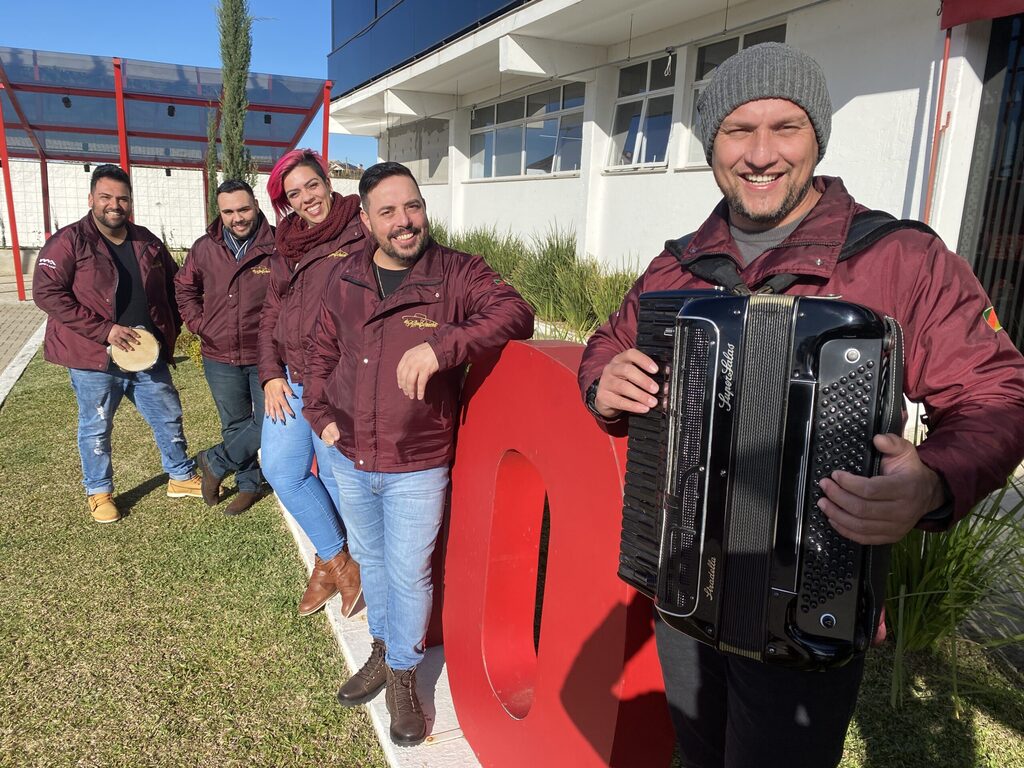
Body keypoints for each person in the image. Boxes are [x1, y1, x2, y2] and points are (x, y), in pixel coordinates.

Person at [577, 42, 1024, 768]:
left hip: (810, 599)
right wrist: (603, 380)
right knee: (693, 754)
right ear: (710, 144)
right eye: (737, 130)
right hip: (685, 586)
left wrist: (934, 481)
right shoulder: (677, 264)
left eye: (785, 127)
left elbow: (998, 393)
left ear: (816, 137)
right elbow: (606, 343)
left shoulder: (900, 258)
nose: (761, 153)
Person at [303, 162, 534, 746]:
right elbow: (319, 353)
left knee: (408, 573)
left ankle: (404, 674)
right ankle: (383, 648)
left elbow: (516, 312)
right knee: (373, 563)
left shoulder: (457, 272)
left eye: (413, 207)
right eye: (388, 211)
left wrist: (443, 345)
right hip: (350, 454)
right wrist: (322, 417)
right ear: (364, 219)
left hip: (417, 459)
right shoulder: (345, 277)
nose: (405, 222)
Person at [33, 164, 204, 523]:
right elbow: (47, 292)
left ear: (130, 201)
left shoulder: (147, 241)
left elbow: (175, 286)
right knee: (96, 425)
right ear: (92, 198)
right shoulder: (70, 240)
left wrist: (175, 326)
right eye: (107, 197)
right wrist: (105, 331)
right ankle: (99, 492)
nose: (115, 204)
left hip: (147, 353)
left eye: (122, 198)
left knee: (168, 415)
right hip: (94, 356)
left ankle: (180, 476)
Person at [259, 149, 363, 618]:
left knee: (340, 480)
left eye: (312, 185)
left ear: (328, 180)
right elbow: (269, 315)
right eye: (294, 194)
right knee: (282, 470)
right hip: (290, 381)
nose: (307, 199)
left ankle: (337, 564)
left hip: (336, 384)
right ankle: (339, 560)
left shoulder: (359, 229)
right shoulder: (286, 243)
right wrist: (268, 375)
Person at [174, 179, 275, 516]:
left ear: (256, 205)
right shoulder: (205, 247)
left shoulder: (277, 245)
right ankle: (248, 484)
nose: (238, 217)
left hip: (266, 354)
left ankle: (214, 460)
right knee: (234, 423)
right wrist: (199, 324)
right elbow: (184, 288)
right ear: (220, 212)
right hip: (219, 354)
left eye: (244, 208)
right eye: (229, 211)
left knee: (269, 423)